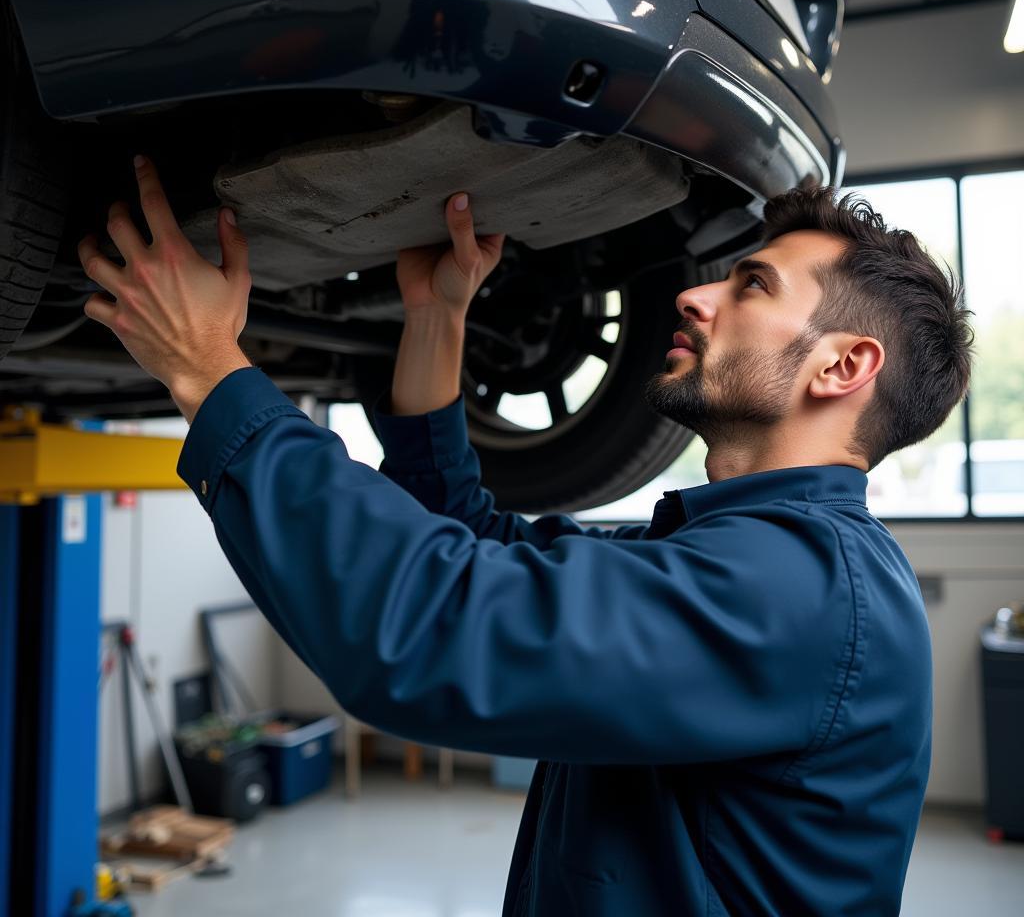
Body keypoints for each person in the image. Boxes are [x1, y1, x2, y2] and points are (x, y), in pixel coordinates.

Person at [78, 156, 973, 916]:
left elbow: (434, 632)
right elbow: (479, 549)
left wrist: (211, 372)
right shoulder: (749, 560)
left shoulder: (803, 590)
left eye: (752, 285)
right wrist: (438, 318)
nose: (698, 295)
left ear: (844, 365)